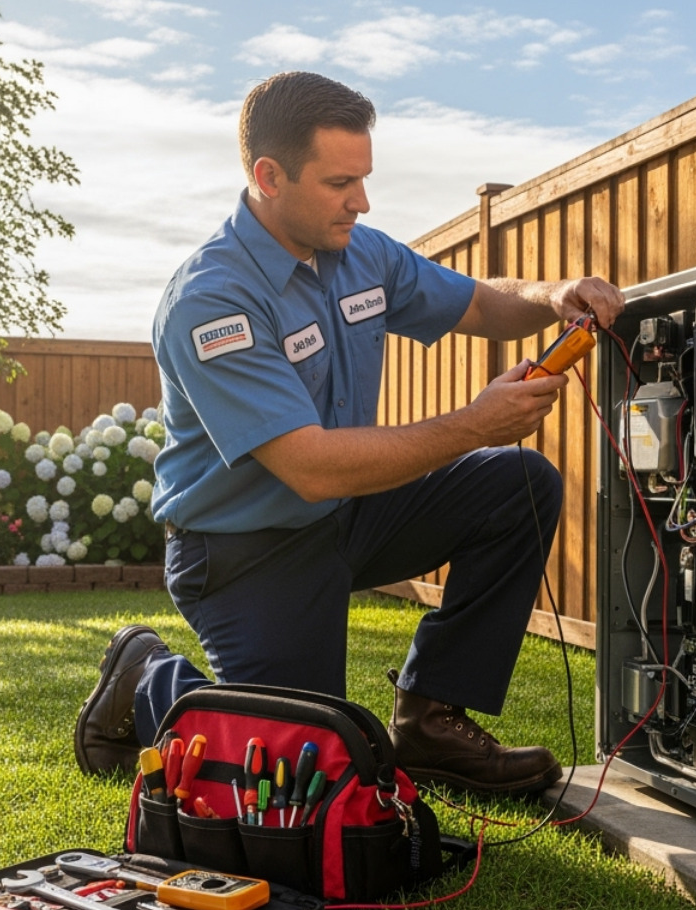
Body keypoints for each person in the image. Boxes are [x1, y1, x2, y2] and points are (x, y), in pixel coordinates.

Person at [75, 71, 623, 794]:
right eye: (341, 183)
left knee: (517, 484)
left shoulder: (362, 253)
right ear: (268, 175)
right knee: (302, 775)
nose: (361, 201)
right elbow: (309, 467)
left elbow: (484, 306)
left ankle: (429, 725)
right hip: (245, 551)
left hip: (346, 517)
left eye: (363, 179)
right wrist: (472, 424)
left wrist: (555, 296)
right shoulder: (212, 300)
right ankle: (147, 673)